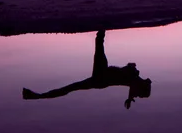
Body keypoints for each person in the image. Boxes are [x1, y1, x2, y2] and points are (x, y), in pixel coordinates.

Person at [22, 30, 152, 109]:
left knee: (71, 87)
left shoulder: (134, 80)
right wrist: (130, 97)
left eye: (140, 94)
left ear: (143, 86)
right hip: (102, 76)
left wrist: (130, 98)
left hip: (100, 78)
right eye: (140, 95)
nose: (138, 95)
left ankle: (37, 96)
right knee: (71, 88)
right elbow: (133, 88)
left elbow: (133, 88)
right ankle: (36, 96)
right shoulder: (135, 78)